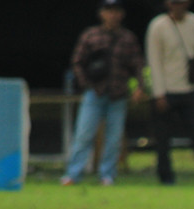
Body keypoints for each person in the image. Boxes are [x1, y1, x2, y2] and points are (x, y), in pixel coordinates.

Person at [61, 0, 146, 187]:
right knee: (84, 134)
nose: (112, 15)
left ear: (122, 14)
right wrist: (85, 84)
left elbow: (137, 65)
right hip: (94, 94)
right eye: (108, 11)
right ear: (101, 13)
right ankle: (73, 174)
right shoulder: (90, 35)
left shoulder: (127, 38)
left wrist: (140, 86)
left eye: (116, 11)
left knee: (114, 138)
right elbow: (77, 62)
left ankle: (107, 175)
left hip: (118, 94)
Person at [145, 0, 194, 185]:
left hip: (190, 89)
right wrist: (158, 93)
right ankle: (165, 176)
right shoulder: (157, 26)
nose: (177, 6)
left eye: (181, 2)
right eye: (174, 3)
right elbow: (154, 61)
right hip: (166, 90)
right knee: (163, 138)